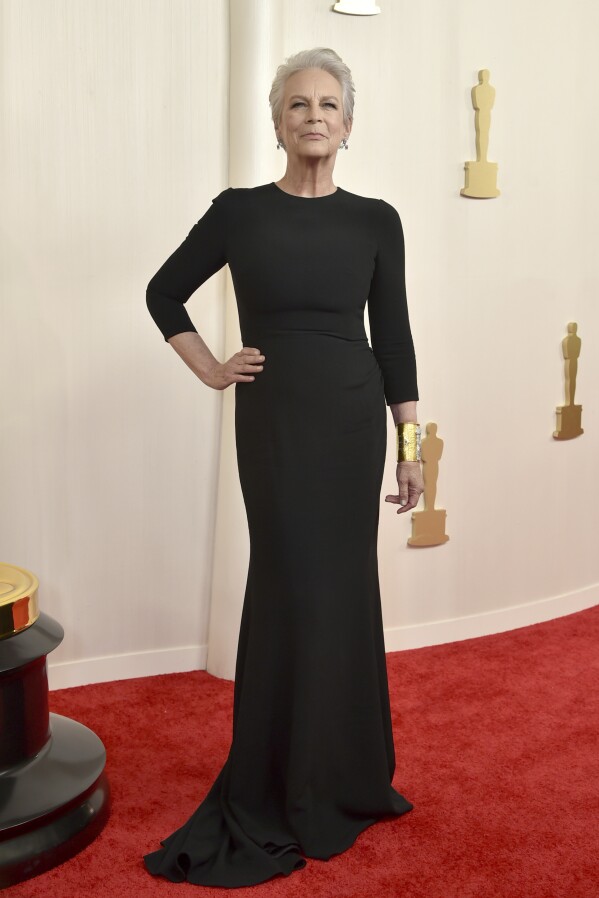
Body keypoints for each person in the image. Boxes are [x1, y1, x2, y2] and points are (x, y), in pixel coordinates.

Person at [143, 47, 423, 888]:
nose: (313, 116)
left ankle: (342, 775)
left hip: (353, 422)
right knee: (288, 583)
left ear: (348, 124)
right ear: (276, 121)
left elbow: (395, 338)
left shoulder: (376, 220)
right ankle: (277, 778)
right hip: (275, 426)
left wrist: (410, 448)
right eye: (297, 103)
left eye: (328, 104)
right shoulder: (238, 212)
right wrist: (208, 366)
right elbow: (163, 292)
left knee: (341, 591)